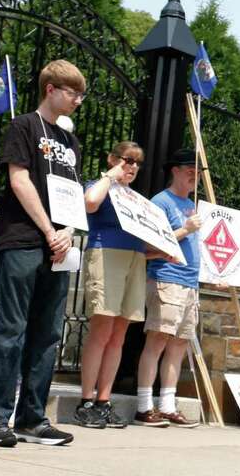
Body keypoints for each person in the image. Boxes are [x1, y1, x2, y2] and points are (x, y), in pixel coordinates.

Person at [0, 60, 85, 448]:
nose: (78, 99)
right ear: (51, 88)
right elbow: (19, 179)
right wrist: (47, 230)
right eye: (72, 91)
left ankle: (32, 417)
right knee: (10, 330)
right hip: (24, 239)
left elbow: (74, 195)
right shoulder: (23, 126)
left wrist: (67, 232)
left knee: (47, 334)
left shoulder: (71, 143)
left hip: (58, 248)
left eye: (80, 93)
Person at [75, 140, 150, 429]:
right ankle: (86, 401)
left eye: (137, 162)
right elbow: (90, 202)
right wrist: (110, 176)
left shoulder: (135, 197)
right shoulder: (101, 184)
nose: (131, 167)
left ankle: (104, 400)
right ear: (112, 159)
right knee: (102, 329)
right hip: (106, 253)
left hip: (135, 258)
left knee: (119, 333)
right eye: (127, 160)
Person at [135, 148, 202, 428]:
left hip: (189, 282)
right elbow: (149, 245)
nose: (194, 175)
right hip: (167, 277)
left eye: (197, 171)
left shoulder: (193, 205)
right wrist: (186, 229)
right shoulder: (160, 202)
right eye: (189, 169)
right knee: (158, 340)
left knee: (179, 344)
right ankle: (143, 405)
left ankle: (167, 404)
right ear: (174, 169)